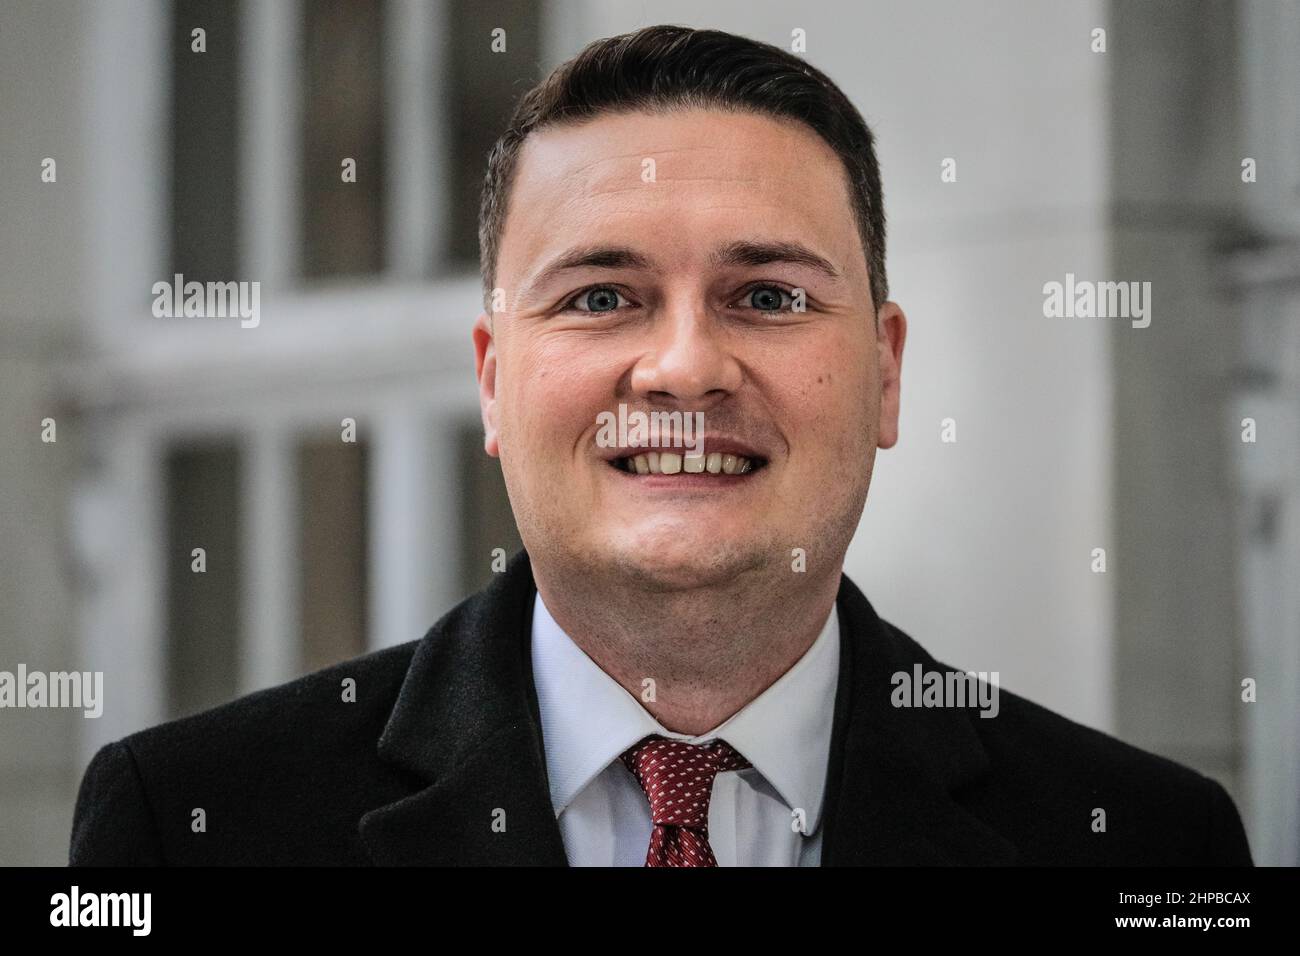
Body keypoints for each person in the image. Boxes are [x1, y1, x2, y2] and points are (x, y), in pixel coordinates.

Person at [70, 24, 1252, 867]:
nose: (684, 365)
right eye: (600, 297)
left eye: (769, 297)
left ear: (887, 373)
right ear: (493, 378)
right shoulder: (187, 824)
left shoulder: (1145, 841)